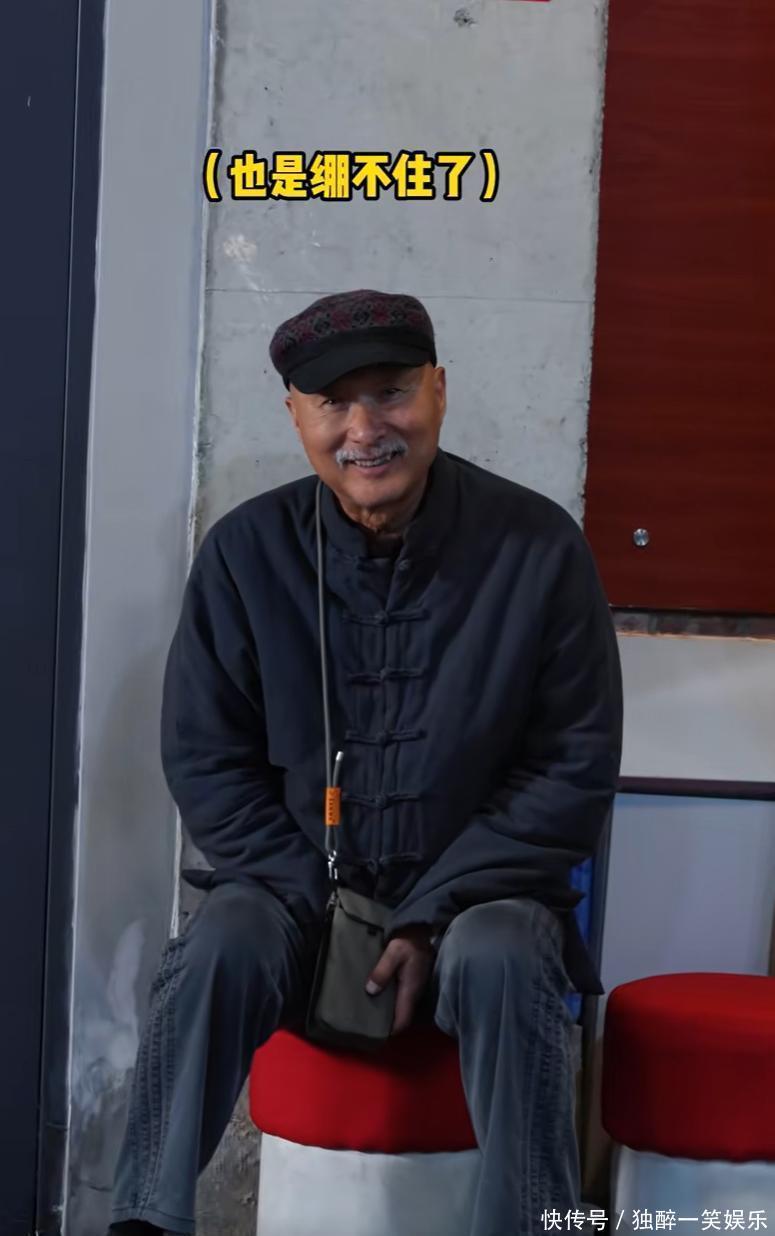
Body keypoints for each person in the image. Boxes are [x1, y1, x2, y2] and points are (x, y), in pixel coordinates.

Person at [109, 288, 623, 1236]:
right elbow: (207, 761)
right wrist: (319, 905)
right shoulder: (244, 554)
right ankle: (144, 1219)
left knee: (505, 952)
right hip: (296, 901)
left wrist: (428, 915)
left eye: (389, 393)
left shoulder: (539, 547)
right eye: (332, 404)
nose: (363, 430)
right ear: (295, 416)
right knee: (220, 940)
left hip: (478, 903)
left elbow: (571, 767)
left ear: (438, 390)